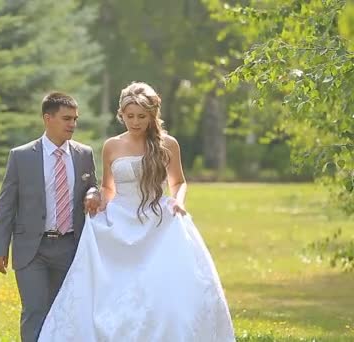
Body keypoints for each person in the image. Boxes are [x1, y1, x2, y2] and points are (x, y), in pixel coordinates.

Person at [38, 82, 235, 341]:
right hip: (119, 220)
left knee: (163, 289)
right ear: (121, 114)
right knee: (111, 290)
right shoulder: (112, 145)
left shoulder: (168, 144)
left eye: (141, 116)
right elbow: (109, 187)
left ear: (152, 115)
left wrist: (178, 201)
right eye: (129, 116)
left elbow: (178, 182)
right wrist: (97, 199)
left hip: (158, 222)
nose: (135, 122)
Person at [0, 92, 101, 342]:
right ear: (47, 118)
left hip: (70, 247)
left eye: (75, 119)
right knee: (35, 310)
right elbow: (6, 204)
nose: (72, 124)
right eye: (66, 118)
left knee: (64, 312)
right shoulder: (21, 156)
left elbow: (92, 187)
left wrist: (93, 193)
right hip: (32, 248)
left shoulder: (84, 154)